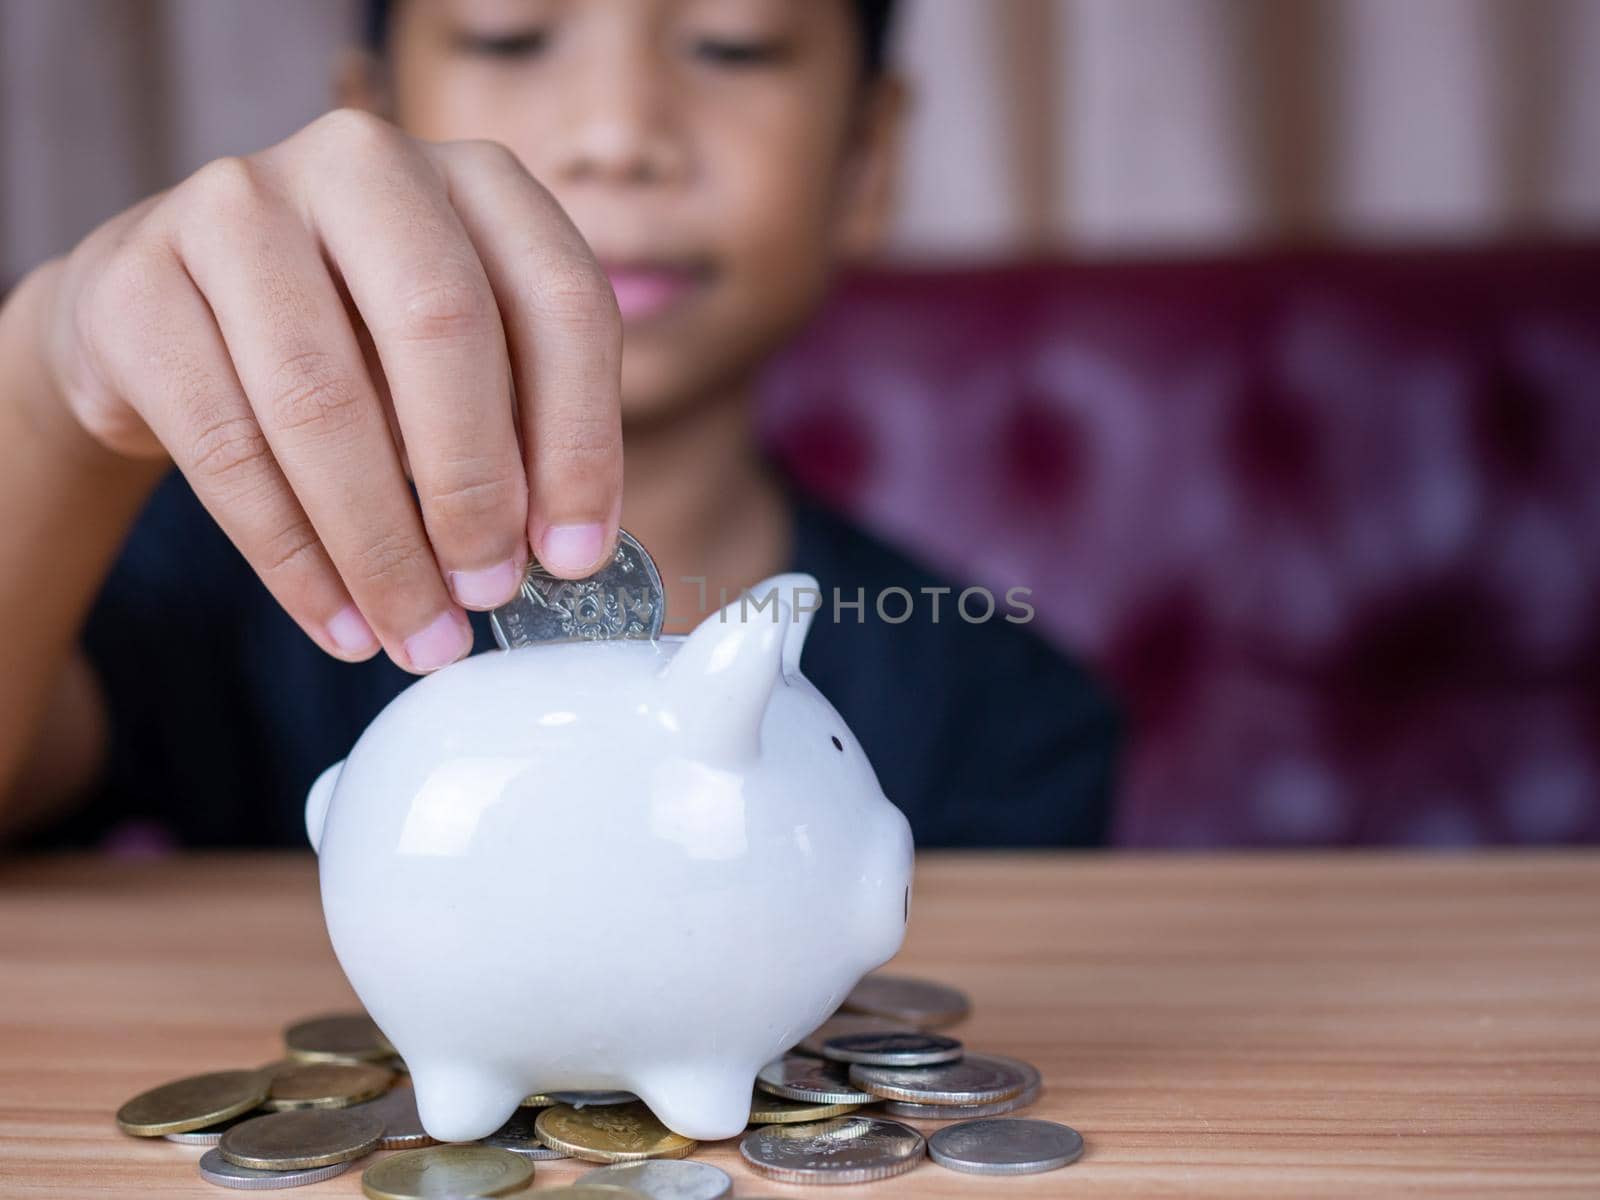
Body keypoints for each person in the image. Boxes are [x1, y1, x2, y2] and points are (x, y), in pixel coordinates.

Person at [0, 0, 1117, 851]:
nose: (617, 134)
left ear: (866, 160)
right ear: (373, 117)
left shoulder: (1002, 706)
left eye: (733, 46)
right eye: (511, 35)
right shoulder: (197, 582)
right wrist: (52, 377)